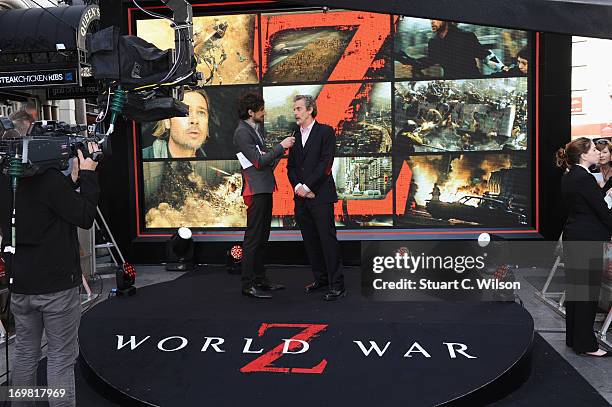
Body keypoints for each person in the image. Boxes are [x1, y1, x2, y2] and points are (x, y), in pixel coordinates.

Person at [0, 141, 101, 405]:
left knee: (24, 354)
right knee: (60, 358)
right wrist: (89, 175)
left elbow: (41, 207)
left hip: (21, 285)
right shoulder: (49, 181)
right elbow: (84, 215)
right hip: (56, 287)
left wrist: (72, 181)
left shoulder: (5, 181)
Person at [233, 92, 295, 299]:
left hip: (263, 188)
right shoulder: (242, 132)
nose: (264, 113)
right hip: (255, 190)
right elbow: (259, 162)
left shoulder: (253, 130)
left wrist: (278, 152)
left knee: (262, 238)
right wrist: (281, 147)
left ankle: (260, 280)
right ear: (251, 112)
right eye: (261, 110)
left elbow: (264, 160)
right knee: (254, 238)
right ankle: (248, 284)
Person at [556, 137, 612, 357]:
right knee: (587, 294)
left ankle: (575, 340)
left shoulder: (570, 176)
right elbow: (601, 211)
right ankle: (587, 345)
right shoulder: (585, 179)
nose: (598, 152)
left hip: (575, 236)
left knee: (577, 291)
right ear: (583, 154)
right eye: (593, 149)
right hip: (588, 239)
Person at [287, 95, 345, 301]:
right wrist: (299, 188)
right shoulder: (294, 134)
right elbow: (291, 167)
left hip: (320, 196)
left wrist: (308, 186)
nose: (295, 112)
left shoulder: (326, 132)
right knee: (310, 241)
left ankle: (337, 284)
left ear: (310, 110)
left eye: (299, 109)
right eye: (294, 109)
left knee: (327, 241)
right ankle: (320, 279)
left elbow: (325, 164)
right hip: (301, 199)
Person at [397, 20, 493, 78]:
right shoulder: (434, 42)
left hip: (471, 77)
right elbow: (431, 60)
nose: (432, 21)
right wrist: (412, 63)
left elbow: (483, 54)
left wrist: (502, 68)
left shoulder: (465, 36)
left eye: (435, 19)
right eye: (431, 19)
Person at [142, 89, 210, 158]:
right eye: (184, 112)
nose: (195, 120)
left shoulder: (213, 165)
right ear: (167, 120)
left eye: (201, 113)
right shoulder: (143, 156)